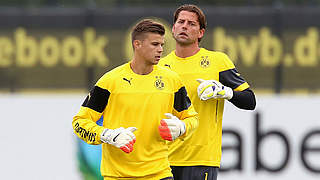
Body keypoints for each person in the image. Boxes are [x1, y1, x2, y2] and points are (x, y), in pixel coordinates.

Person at [72, 19, 198, 180]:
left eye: (162, 44)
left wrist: (182, 127)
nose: (160, 50)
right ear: (137, 44)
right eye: (154, 44)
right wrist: (108, 135)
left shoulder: (172, 80)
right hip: (118, 176)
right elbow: (79, 123)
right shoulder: (110, 82)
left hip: (160, 174)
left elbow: (192, 118)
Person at [159, 4, 256, 180]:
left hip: (201, 160)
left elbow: (250, 101)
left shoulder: (217, 61)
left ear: (201, 32)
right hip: (162, 160)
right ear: (173, 28)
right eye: (180, 22)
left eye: (191, 24)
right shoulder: (160, 67)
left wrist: (226, 92)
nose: (184, 26)